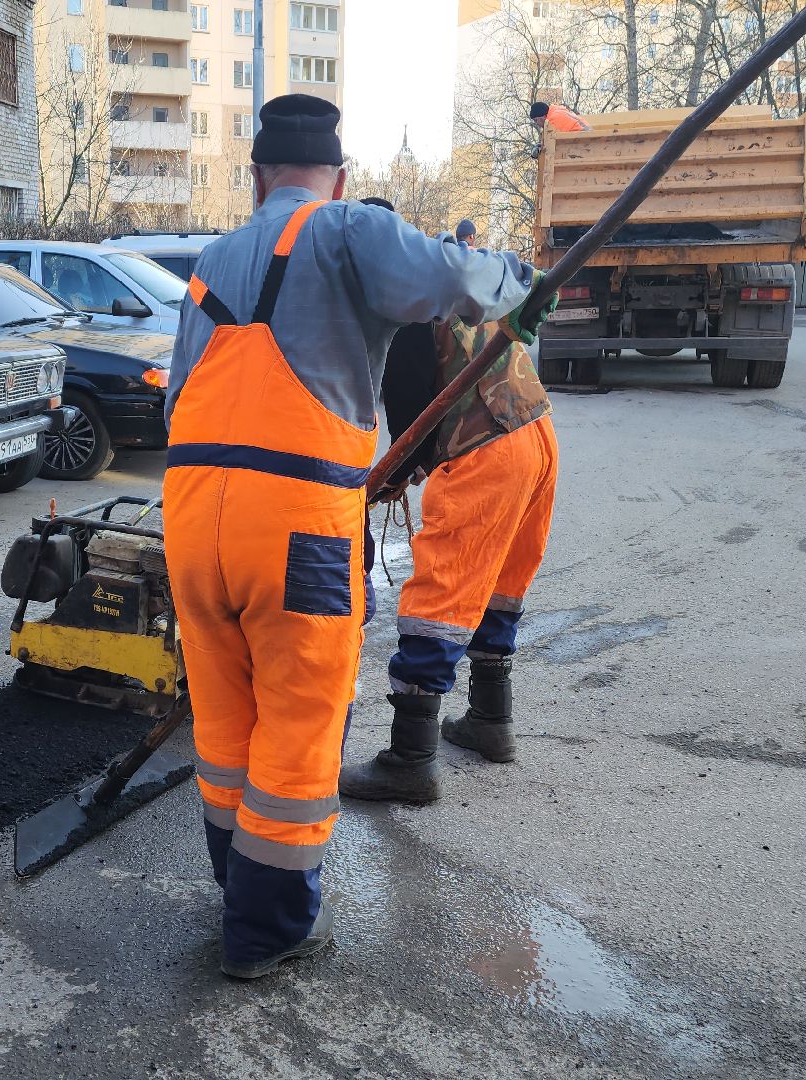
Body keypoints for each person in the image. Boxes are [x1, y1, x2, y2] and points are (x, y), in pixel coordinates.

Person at [164, 95, 551, 980]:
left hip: (190, 512)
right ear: (338, 178)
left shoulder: (208, 262)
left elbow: (174, 395)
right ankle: (268, 932)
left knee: (224, 714)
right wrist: (522, 282)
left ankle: (238, 888)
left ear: (256, 176)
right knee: (300, 721)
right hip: (296, 524)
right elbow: (452, 279)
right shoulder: (345, 229)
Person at [340, 211, 560, 804]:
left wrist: (397, 471)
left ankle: (410, 758)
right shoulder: (455, 276)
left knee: (439, 596)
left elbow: (417, 410)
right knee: (499, 583)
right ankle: (491, 721)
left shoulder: (412, 308)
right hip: (534, 437)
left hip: (483, 448)